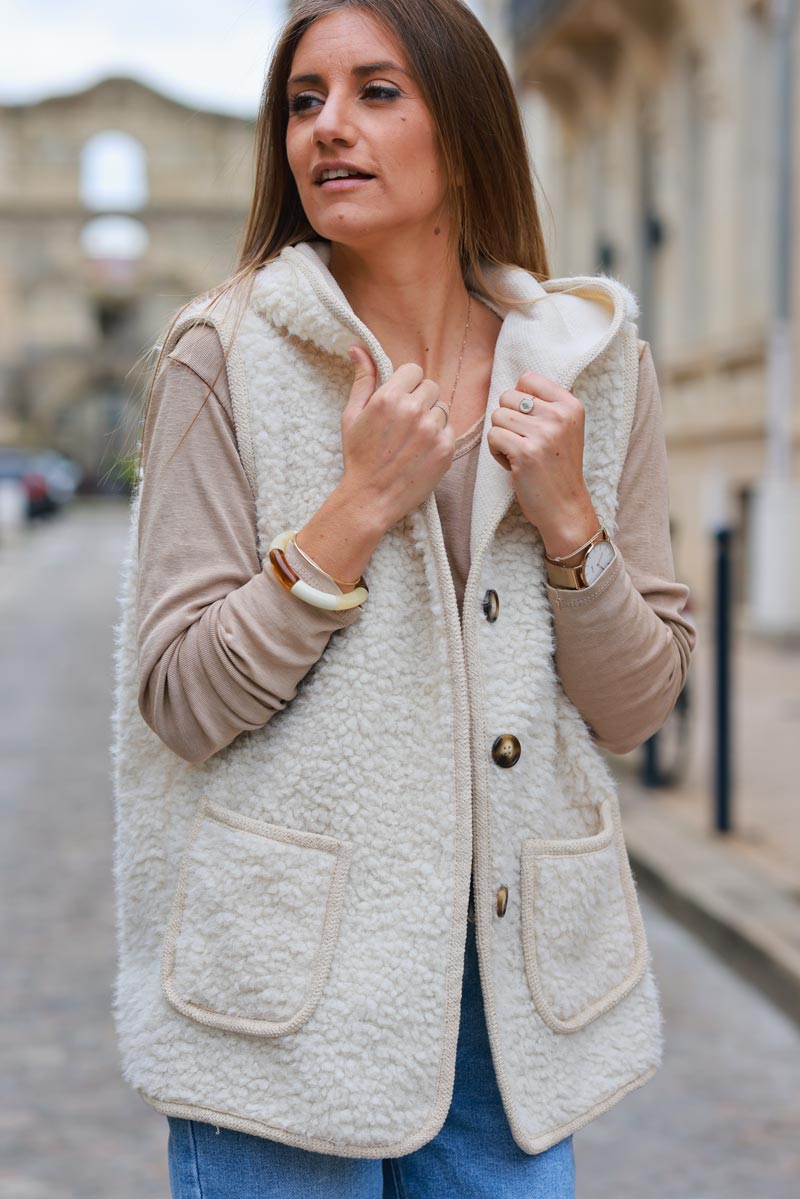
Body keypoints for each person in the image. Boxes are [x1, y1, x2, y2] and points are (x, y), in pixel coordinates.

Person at [110, 1, 696, 1196]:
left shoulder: (590, 365)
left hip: (509, 1003)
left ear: (467, 125)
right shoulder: (222, 354)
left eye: (377, 92)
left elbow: (638, 705)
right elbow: (178, 696)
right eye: (303, 100)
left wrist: (569, 519)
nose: (329, 127)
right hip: (283, 998)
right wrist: (355, 506)